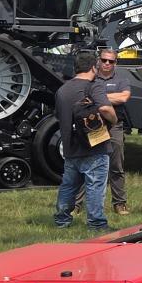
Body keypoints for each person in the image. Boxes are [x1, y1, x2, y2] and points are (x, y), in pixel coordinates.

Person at [52, 49, 117, 232]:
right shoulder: (93, 86)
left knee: (68, 185)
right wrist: (114, 119)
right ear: (93, 67)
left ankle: (62, 220)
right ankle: (96, 224)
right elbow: (105, 109)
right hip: (94, 145)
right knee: (95, 185)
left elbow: (58, 115)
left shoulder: (62, 89)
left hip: (70, 145)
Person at [96, 47, 135, 215]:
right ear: (99, 60)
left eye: (110, 61)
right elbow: (84, 96)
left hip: (115, 125)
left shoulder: (121, 78)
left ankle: (119, 203)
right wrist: (112, 97)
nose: (106, 63)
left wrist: (97, 96)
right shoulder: (92, 77)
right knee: (91, 164)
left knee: (116, 165)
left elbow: (124, 97)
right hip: (95, 125)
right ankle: (78, 203)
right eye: (104, 60)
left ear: (115, 63)